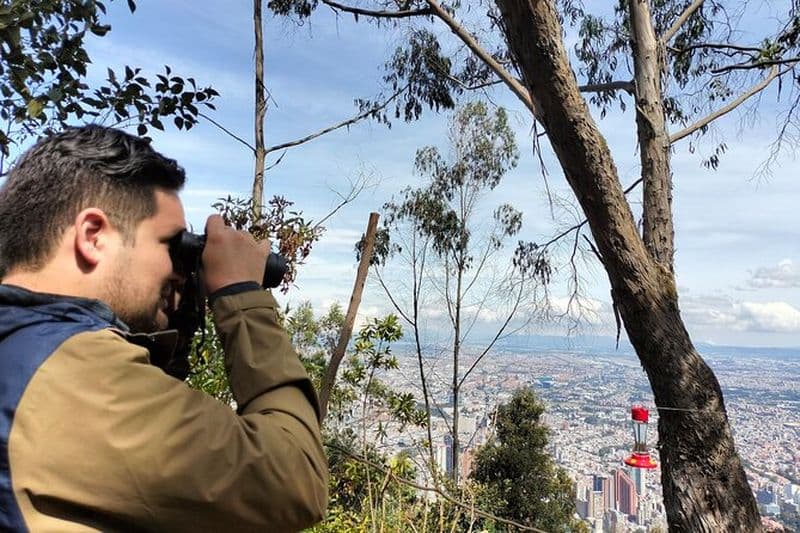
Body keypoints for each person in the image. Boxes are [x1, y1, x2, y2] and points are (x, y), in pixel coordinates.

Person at [0, 125, 328, 532]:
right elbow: (294, 478)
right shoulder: (75, 375)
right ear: (93, 236)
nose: (179, 271)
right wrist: (241, 296)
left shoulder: (20, 345)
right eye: (172, 246)